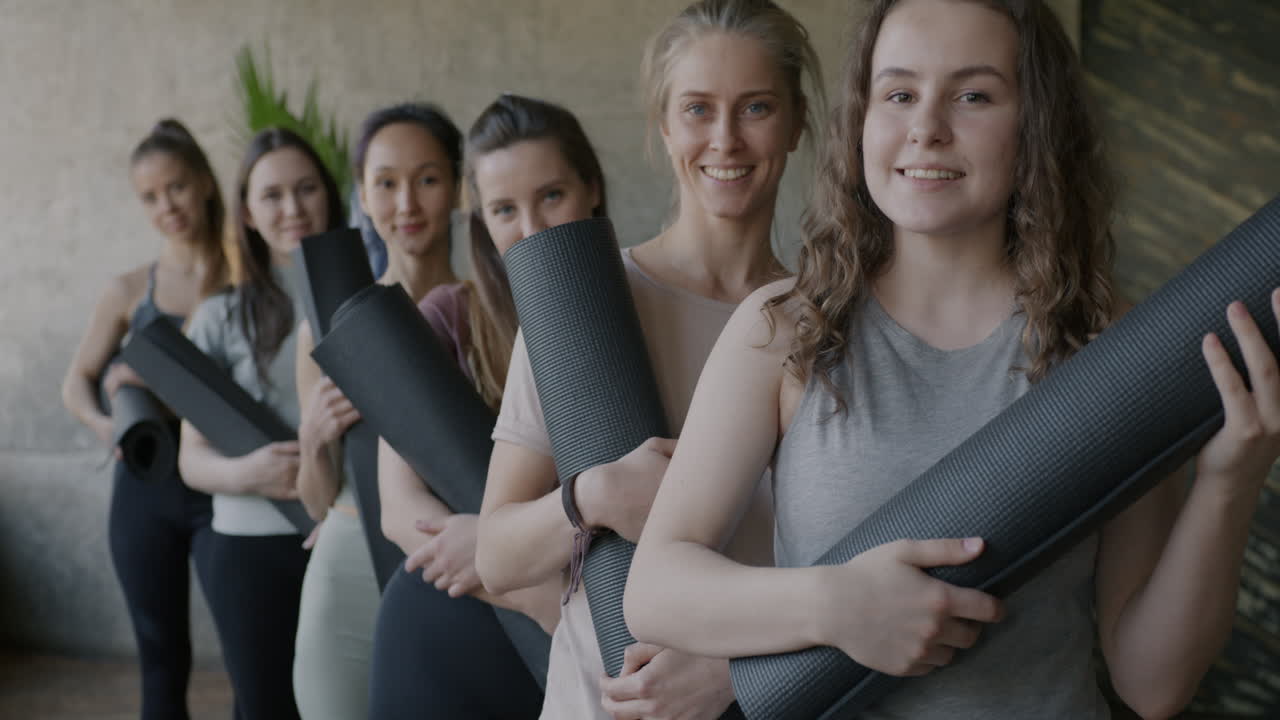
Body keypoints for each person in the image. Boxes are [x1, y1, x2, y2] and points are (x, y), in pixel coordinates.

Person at [624, 2, 1280, 718]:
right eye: (899, 93)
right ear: (862, 120)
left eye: (973, 95)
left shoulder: (1108, 347)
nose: (926, 128)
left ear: (1035, 124)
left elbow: (1151, 685)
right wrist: (834, 604)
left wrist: (1229, 479)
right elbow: (655, 588)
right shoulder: (785, 329)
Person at [475, 2, 824, 717]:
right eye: (698, 109)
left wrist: (732, 668)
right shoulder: (585, 306)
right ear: (664, 127)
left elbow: (843, 569)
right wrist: (592, 497)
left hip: (762, 700)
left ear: (795, 122)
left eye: (755, 107)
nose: (724, 139)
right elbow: (496, 557)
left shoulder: (824, 324)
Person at [368, 93, 603, 719]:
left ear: (593, 190)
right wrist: (523, 585)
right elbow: (399, 509)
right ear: (481, 218)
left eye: (551, 196)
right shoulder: (447, 318)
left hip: (588, 637)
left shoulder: (636, 313)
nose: (531, 229)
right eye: (504, 209)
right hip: (454, 619)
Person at [291, 101, 463, 720]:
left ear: (458, 187)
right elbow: (312, 501)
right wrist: (314, 438)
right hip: (346, 565)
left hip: (454, 567)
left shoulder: (494, 314)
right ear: (362, 197)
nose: (407, 204)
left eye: (427, 179)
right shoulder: (325, 334)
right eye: (386, 183)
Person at [60, 118, 228, 720]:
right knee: (161, 663)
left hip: (225, 488)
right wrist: (106, 426)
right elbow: (76, 380)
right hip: (144, 489)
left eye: (177, 187)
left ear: (206, 182)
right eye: (151, 197)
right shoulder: (130, 288)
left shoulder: (246, 278)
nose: (167, 206)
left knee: (251, 656)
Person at [178, 127, 344, 720]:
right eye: (272, 195)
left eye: (306, 189)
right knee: (265, 705)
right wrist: (247, 471)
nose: (293, 208)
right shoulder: (220, 315)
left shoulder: (365, 296)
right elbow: (189, 459)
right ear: (247, 212)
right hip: (248, 546)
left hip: (342, 539)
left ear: (329, 195)